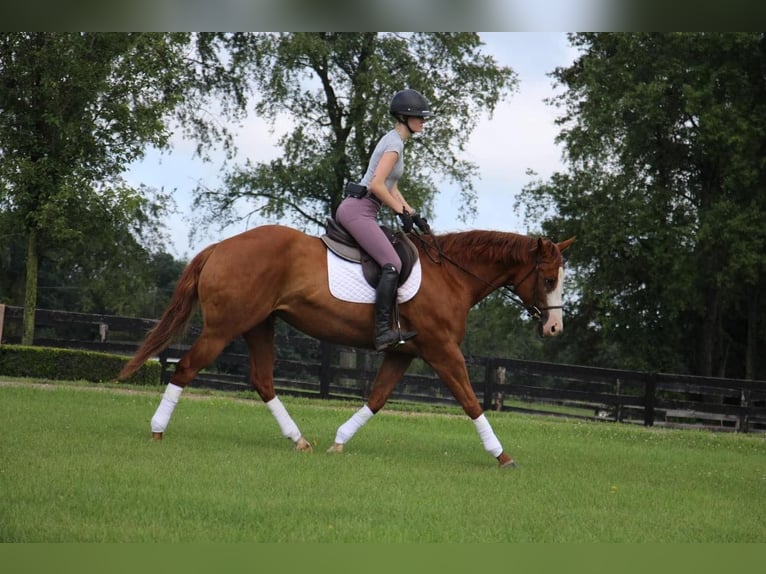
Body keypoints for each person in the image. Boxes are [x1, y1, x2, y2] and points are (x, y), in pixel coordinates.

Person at [335, 88, 433, 351]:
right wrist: (399, 212)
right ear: (405, 117)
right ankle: (382, 332)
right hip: (359, 209)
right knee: (392, 263)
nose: (423, 121)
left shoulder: (396, 142)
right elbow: (377, 185)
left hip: (365, 208)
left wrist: (413, 213)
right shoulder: (393, 145)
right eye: (420, 117)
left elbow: (392, 188)